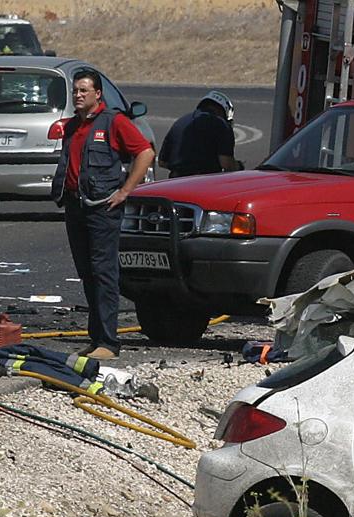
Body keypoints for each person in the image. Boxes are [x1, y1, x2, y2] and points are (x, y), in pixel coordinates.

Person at [50, 68, 155, 360]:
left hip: (102, 209)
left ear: (98, 94)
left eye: (84, 90)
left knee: (104, 273)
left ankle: (108, 342)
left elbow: (145, 153)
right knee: (87, 273)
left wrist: (125, 191)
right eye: (75, 90)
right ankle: (96, 338)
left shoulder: (113, 122)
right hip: (76, 207)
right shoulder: (73, 125)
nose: (78, 95)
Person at [157, 91, 241, 178]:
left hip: (176, 181)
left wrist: (181, 166)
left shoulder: (180, 122)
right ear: (224, 111)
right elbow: (227, 164)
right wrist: (238, 166)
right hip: (203, 181)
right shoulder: (222, 125)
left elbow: (162, 162)